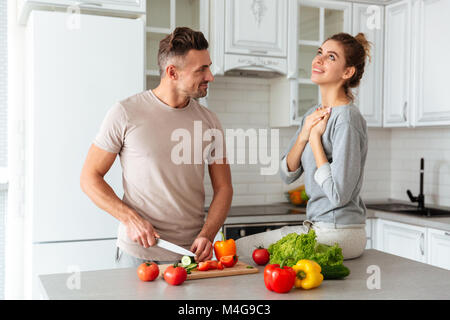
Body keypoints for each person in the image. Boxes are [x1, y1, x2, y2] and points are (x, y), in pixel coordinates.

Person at [80, 27, 233, 267]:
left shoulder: (210, 121)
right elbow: (89, 178)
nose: (210, 76)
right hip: (138, 257)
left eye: (209, 66)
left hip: (191, 258)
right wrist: (130, 219)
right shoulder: (125, 113)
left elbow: (224, 187)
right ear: (172, 72)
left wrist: (208, 234)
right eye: (201, 69)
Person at [236, 33, 371, 260]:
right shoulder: (313, 114)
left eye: (330, 57)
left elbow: (338, 195)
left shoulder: (347, 118)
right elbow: (287, 174)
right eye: (319, 52)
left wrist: (315, 140)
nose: (318, 60)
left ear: (347, 72)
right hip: (319, 228)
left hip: (341, 232)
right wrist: (303, 136)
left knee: (246, 252)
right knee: (242, 248)